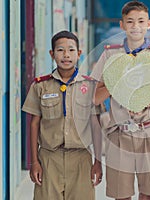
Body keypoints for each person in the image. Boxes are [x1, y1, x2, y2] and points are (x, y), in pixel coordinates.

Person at [90, 1, 150, 200]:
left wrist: (148, 99)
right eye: (130, 21)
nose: (135, 26)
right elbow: (94, 97)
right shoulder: (110, 54)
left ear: (149, 24)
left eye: (141, 21)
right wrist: (117, 83)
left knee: (148, 193)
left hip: (149, 130)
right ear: (122, 25)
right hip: (120, 132)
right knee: (122, 194)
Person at [22, 30, 102, 200]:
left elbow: (96, 125)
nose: (66, 55)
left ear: (79, 53)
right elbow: (34, 124)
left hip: (81, 159)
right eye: (60, 50)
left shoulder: (90, 86)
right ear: (52, 54)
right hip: (49, 159)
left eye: (71, 50)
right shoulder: (40, 86)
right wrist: (34, 162)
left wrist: (98, 162)